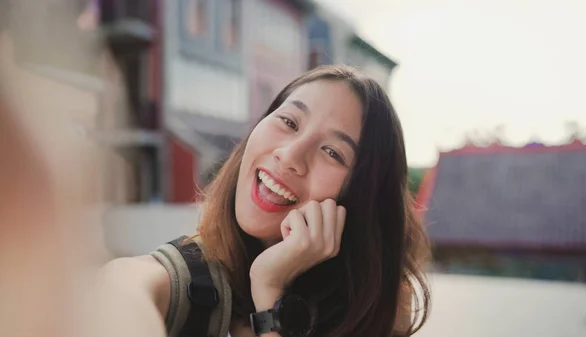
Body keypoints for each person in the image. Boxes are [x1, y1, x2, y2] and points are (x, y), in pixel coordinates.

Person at [102, 65, 431, 337]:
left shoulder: (372, 317)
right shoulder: (173, 283)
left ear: (363, 199)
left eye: (332, 152)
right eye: (289, 122)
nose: (290, 156)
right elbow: (119, 291)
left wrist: (269, 289)